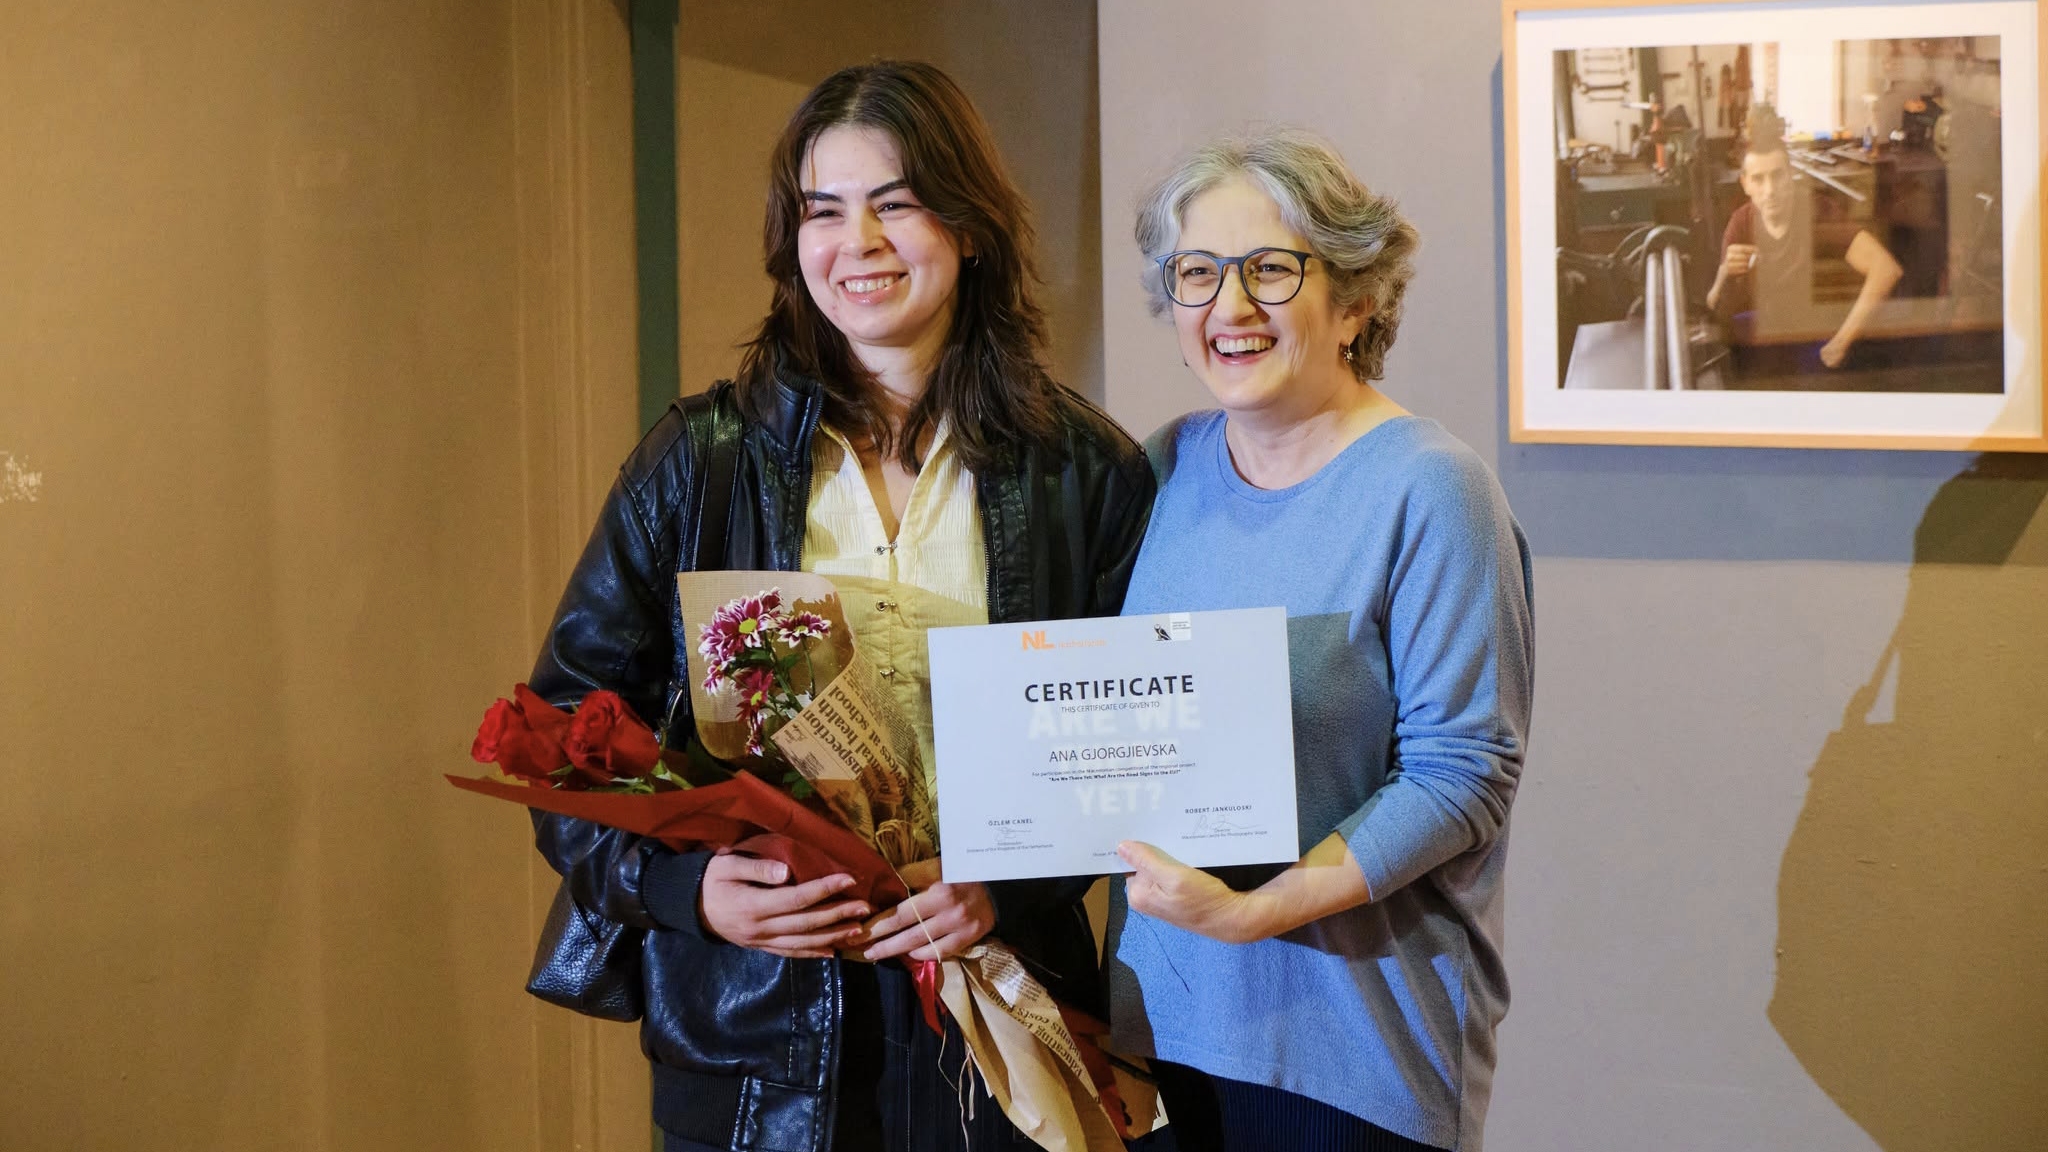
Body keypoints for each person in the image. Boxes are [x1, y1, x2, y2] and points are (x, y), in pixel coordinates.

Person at [525, 60, 1154, 1152]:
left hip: (997, 1024)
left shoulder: (1081, 469)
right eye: (823, 211)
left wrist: (1007, 885)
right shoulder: (699, 461)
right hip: (753, 1038)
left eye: (895, 203)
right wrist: (687, 889)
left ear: (968, 226)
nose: (857, 243)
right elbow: (565, 729)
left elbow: (1137, 739)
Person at [1107, 130, 1534, 1152]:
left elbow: (1463, 774)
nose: (1229, 306)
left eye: (1269, 269)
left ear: (1354, 301)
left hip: (1350, 1056)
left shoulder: (1430, 488)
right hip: (1161, 1032)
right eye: (1197, 273)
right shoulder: (1161, 469)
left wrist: (1251, 915)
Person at [1707, 105, 1903, 375]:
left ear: (1790, 174)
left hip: (1813, 335)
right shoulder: (1741, 223)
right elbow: (1714, 306)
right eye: (1758, 179)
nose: (1770, 190)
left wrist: (1841, 342)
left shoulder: (1817, 212)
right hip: (1768, 337)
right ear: (1745, 184)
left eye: (1777, 176)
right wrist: (1724, 274)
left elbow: (1886, 269)